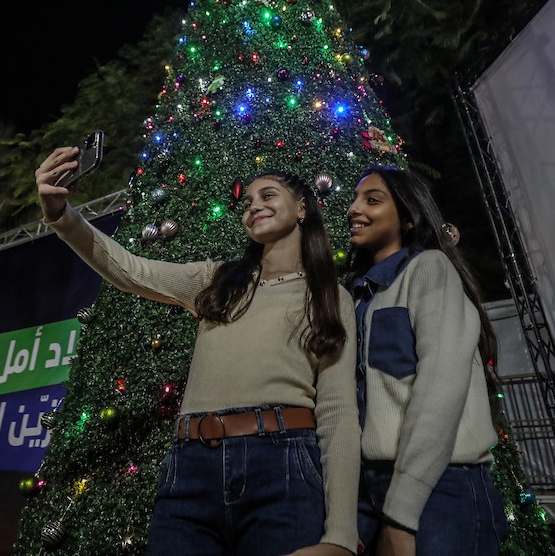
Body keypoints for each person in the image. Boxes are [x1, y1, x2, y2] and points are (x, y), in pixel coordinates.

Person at [36, 145, 360, 556]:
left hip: (282, 469)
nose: (253, 206)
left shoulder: (330, 297)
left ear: (302, 208)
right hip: (189, 472)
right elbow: (131, 270)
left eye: (268, 195)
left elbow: (338, 413)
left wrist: (341, 538)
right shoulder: (218, 280)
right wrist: (62, 217)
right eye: (247, 202)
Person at [344, 165, 508, 556]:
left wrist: (402, 512)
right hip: (372, 489)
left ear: (408, 218)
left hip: (441, 487)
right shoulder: (357, 296)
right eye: (354, 199)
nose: (353, 209)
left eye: (372, 199)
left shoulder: (430, 270)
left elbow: (439, 387)